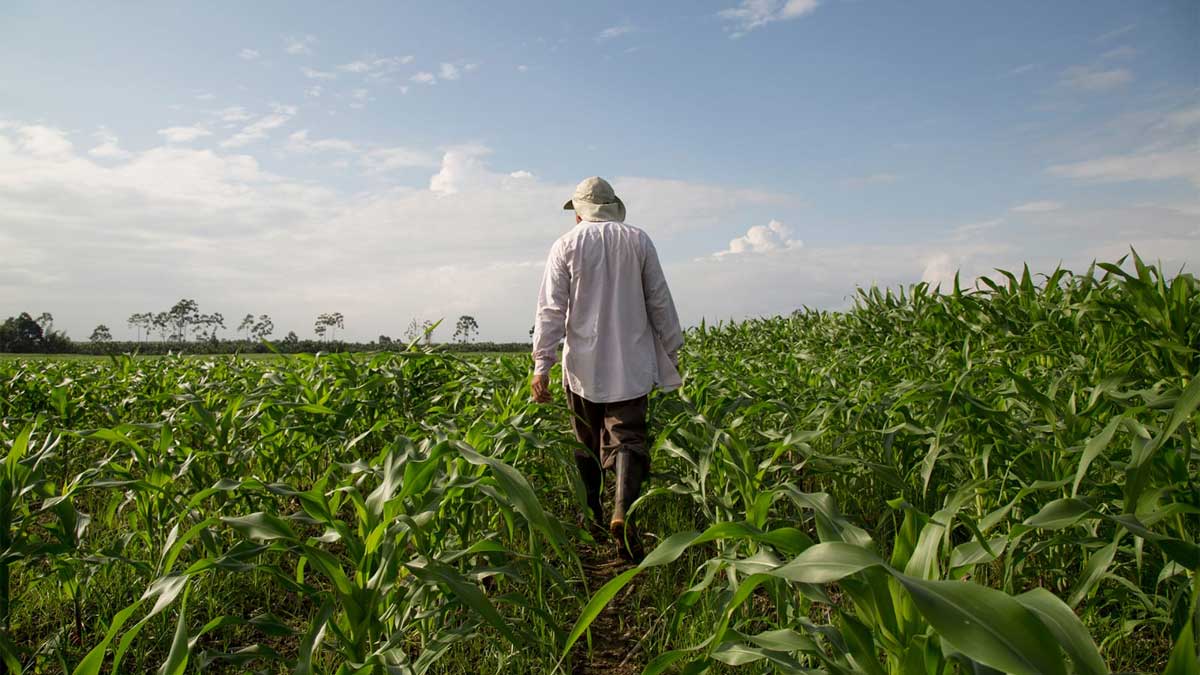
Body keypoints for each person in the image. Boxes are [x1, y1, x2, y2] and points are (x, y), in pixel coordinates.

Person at [530, 176, 683, 561]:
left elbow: (551, 309)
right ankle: (622, 511)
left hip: (582, 364)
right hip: (631, 362)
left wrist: (541, 363)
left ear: (579, 213)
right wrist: (672, 347)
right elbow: (659, 299)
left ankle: (593, 516)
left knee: (586, 441)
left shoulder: (566, 245)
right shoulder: (638, 240)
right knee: (627, 438)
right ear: (612, 207)